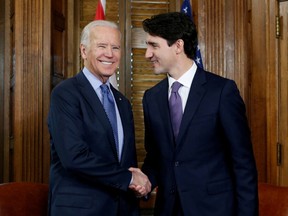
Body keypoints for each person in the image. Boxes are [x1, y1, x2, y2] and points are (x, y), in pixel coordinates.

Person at [141, 12, 258, 216]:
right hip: (168, 210)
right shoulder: (151, 98)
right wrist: (142, 181)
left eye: (154, 45)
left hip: (214, 209)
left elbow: (243, 164)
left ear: (178, 45)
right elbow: (156, 157)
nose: (147, 54)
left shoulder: (222, 91)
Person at [47, 20, 151, 216]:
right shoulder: (66, 93)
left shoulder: (122, 102)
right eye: (102, 46)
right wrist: (128, 179)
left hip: (122, 209)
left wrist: (138, 185)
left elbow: (126, 161)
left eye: (115, 47)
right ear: (84, 51)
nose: (110, 54)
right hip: (81, 210)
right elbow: (74, 157)